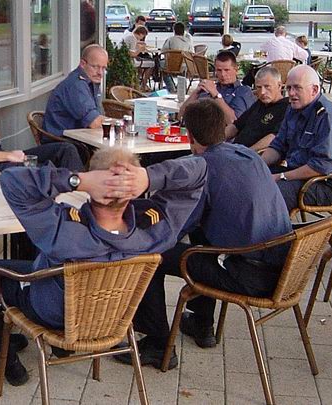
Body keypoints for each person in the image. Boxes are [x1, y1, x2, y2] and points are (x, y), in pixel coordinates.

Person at [0, 147, 207, 375]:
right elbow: (200, 170)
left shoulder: (64, 232)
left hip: (55, 313)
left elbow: (12, 180)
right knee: (35, 268)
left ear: (93, 183)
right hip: (114, 315)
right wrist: (150, 177)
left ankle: (3, 355)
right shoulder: (157, 229)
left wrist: (77, 180)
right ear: (134, 189)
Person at [125, 99, 292, 365]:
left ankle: (158, 345)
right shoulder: (248, 155)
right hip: (282, 266)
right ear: (223, 128)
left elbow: (176, 225)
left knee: (150, 256)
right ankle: (202, 324)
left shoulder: (203, 169)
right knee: (201, 236)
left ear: (189, 136)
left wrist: (132, 233)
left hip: (249, 276)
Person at [261, 65, 332, 213]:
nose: (291, 93)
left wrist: (281, 176)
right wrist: (257, 164)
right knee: (250, 179)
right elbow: (278, 146)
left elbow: (321, 166)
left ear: (314, 90)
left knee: (269, 195)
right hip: (298, 172)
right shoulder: (293, 108)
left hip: (325, 183)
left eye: (297, 88)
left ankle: (271, 227)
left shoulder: (326, 114)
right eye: (289, 88)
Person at [43, 44, 109, 137]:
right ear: (83, 64)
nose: (100, 73)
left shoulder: (90, 82)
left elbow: (97, 117)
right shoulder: (76, 85)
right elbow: (95, 123)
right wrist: (120, 124)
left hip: (78, 137)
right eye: (95, 67)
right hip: (61, 141)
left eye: (104, 68)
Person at [180, 51, 256, 123]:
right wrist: (195, 93)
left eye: (227, 70)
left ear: (236, 70)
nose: (223, 74)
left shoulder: (243, 91)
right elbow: (181, 116)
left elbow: (233, 122)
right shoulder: (209, 88)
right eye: (219, 70)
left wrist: (216, 95)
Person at [225, 67, 289, 151]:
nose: (262, 92)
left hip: (254, 154)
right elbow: (236, 126)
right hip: (235, 149)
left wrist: (247, 152)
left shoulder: (286, 107)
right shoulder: (259, 103)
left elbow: (274, 137)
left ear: (279, 85)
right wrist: (215, 139)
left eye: (267, 86)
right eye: (259, 87)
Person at [160, 22, 195, 91]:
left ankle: (171, 87)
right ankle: (182, 88)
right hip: (184, 65)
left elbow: (163, 51)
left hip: (170, 64)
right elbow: (192, 53)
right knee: (182, 72)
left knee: (160, 66)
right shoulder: (188, 41)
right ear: (184, 31)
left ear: (174, 30)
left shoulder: (170, 39)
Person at [121, 26, 155, 91]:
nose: (142, 38)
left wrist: (138, 43)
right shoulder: (133, 38)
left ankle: (136, 83)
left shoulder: (130, 35)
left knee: (141, 64)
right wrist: (140, 49)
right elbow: (132, 54)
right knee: (152, 64)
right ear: (141, 34)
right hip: (129, 60)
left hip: (123, 58)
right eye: (143, 36)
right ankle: (143, 85)